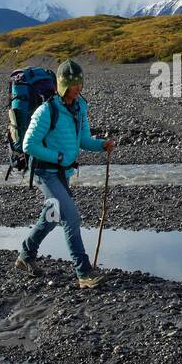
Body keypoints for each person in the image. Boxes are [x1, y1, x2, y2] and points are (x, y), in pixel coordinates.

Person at [16, 59, 114, 288]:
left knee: (50, 218)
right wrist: (58, 157)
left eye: (79, 82)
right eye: (72, 84)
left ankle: (25, 256)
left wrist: (102, 145)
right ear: (61, 85)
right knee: (71, 217)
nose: (77, 87)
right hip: (44, 172)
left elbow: (83, 140)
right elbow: (28, 145)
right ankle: (84, 273)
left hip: (63, 173)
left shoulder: (80, 108)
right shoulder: (46, 111)